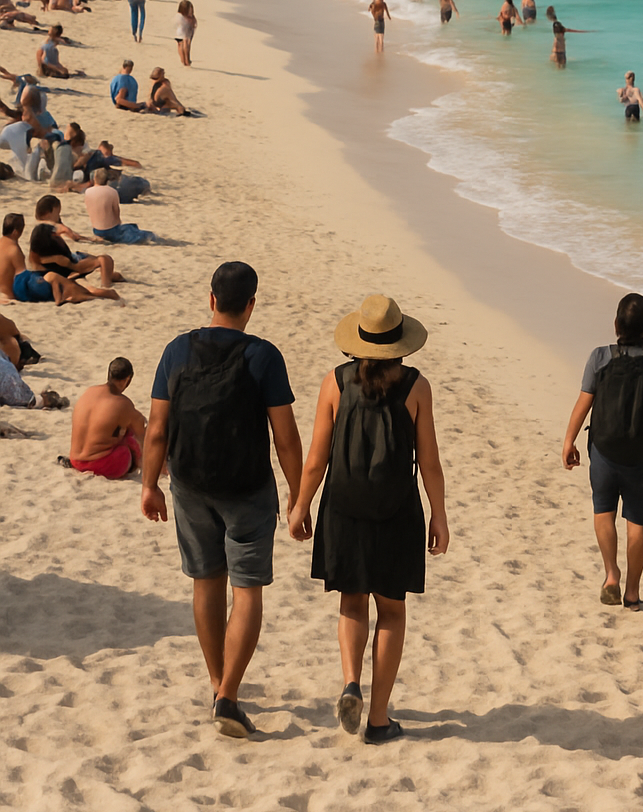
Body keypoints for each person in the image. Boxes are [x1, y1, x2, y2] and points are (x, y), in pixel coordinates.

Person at [142, 261, 304, 739]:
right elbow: (286, 437)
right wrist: (298, 496)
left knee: (205, 585)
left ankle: (218, 684)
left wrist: (150, 484)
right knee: (247, 590)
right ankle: (228, 694)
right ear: (251, 305)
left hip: (190, 485)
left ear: (211, 299)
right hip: (248, 490)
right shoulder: (264, 357)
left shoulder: (176, 351)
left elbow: (156, 430)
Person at [288, 294, 448, 744]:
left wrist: (302, 504)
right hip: (397, 509)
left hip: (343, 506)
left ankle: (350, 682)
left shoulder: (334, 383)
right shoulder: (417, 387)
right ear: (400, 343)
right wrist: (439, 514)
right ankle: (378, 719)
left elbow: (317, 457)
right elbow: (429, 461)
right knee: (392, 611)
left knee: (351, 602)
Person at [562, 293, 643, 610]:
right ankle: (632, 591)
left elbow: (583, 402)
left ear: (616, 324)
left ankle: (611, 574)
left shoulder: (599, 357)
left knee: (604, 510)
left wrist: (569, 440)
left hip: (604, 449)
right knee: (637, 522)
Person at [64, 357, 146, 478]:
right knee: (130, 435)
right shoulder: (123, 403)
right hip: (102, 465)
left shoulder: (89, 392)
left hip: (75, 460)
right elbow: (142, 435)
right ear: (127, 380)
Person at [83, 167, 155, 244]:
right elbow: (116, 212)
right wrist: (118, 223)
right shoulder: (112, 192)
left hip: (96, 230)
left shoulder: (88, 192)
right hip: (110, 230)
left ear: (95, 178)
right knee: (143, 234)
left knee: (131, 227)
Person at [176, 0, 197, 67]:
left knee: (181, 44)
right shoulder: (186, 17)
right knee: (185, 44)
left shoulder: (181, 16)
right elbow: (193, 24)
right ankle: (185, 60)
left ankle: (184, 60)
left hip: (182, 31)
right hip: (184, 31)